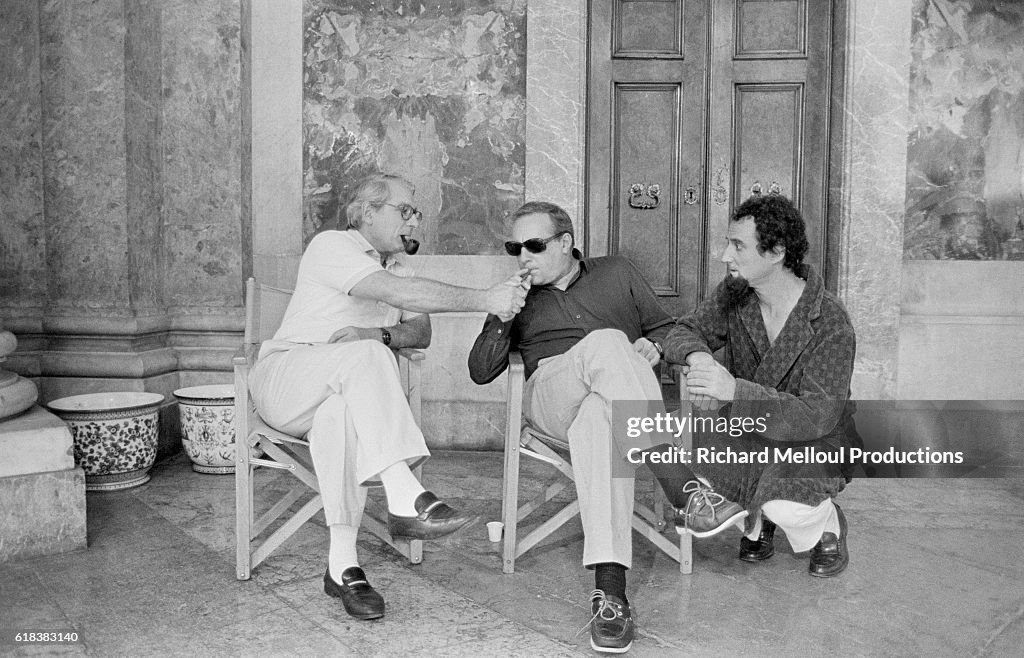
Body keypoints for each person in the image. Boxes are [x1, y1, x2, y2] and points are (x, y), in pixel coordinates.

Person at [467, 201, 745, 654]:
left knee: (600, 417)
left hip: (612, 406)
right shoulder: (515, 294)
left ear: (566, 243)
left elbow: (669, 329)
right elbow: (481, 370)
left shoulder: (617, 272)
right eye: (515, 247)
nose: (523, 257)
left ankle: (611, 593)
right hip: (551, 397)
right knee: (607, 341)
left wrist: (655, 345)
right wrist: (503, 316)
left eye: (534, 246)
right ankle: (682, 487)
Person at [248, 173, 528, 621]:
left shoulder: (402, 269)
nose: (414, 221)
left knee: (341, 413)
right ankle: (404, 493)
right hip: (285, 379)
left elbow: (421, 331)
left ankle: (343, 566)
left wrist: (377, 331)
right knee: (368, 356)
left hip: (337, 396)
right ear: (367, 212)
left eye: (416, 212)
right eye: (405, 210)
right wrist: (486, 298)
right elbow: (395, 295)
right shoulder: (332, 246)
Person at [646, 193, 856, 579]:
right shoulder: (735, 294)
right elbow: (685, 330)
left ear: (776, 251)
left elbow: (818, 416)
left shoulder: (830, 321)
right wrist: (699, 357)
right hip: (747, 432)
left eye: (737, 245)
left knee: (785, 502)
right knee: (668, 448)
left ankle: (825, 524)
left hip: (813, 440)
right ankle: (759, 520)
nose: (725, 255)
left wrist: (734, 391)